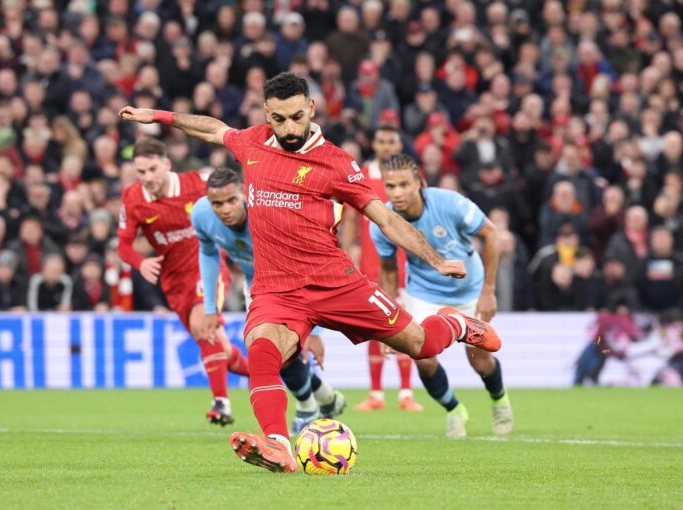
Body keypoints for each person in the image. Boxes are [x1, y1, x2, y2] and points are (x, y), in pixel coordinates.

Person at [119, 72, 501, 474]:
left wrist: (436, 259)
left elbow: (385, 219)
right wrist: (158, 116)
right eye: (279, 119)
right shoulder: (252, 143)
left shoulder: (336, 163)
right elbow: (214, 128)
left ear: (311, 110)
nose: (289, 128)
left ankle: (455, 324)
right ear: (267, 113)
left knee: (421, 345)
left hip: (337, 282)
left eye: (296, 117)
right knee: (263, 350)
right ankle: (278, 444)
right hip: (276, 290)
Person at [191, 167, 346, 435]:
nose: (225, 209)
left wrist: (315, 329)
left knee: (284, 350)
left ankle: (309, 408)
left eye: (231, 201)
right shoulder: (201, 214)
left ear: (243, 193)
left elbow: (308, 259)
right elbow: (208, 254)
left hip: (295, 279)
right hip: (259, 286)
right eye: (217, 203)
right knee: (273, 351)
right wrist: (210, 308)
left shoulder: (269, 212)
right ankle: (323, 400)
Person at [371, 155, 514, 438]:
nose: (397, 193)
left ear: (419, 184)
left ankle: (499, 401)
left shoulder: (449, 203)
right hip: (424, 294)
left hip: (470, 291)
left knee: (480, 361)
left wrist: (488, 291)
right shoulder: (381, 222)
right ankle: (454, 410)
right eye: (390, 186)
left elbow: (491, 233)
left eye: (403, 185)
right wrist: (385, 321)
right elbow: (387, 271)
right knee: (423, 357)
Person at [115, 137, 249, 426]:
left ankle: (221, 402)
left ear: (167, 164)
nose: (147, 178)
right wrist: (141, 262)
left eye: (152, 169)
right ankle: (269, 375)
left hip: (208, 266)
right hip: (174, 282)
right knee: (218, 347)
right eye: (141, 172)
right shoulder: (132, 199)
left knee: (205, 324)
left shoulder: (197, 182)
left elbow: (238, 193)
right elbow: (123, 247)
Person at [340, 125, 423, 413]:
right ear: (374, 144)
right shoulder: (360, 175)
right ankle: (376, 393)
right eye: (382, 140)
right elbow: (351, 218)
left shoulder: (407, 177)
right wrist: (349, 250)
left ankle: (405, 393)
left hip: (403, 263)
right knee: (376, 327)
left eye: (392, 141)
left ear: (399, 144)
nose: (386, 145)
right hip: (371, 263)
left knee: (404, 325)